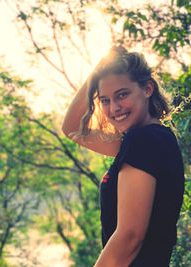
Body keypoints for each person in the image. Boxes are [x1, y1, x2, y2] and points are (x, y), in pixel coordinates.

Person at [62, 46, 185, 267]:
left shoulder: (143, 140)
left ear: (147, 89)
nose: (114, 108)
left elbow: (130, 237)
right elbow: (72, 127)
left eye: (122, 95)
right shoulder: (150, 140)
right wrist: (100, 68)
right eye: (105, 100)